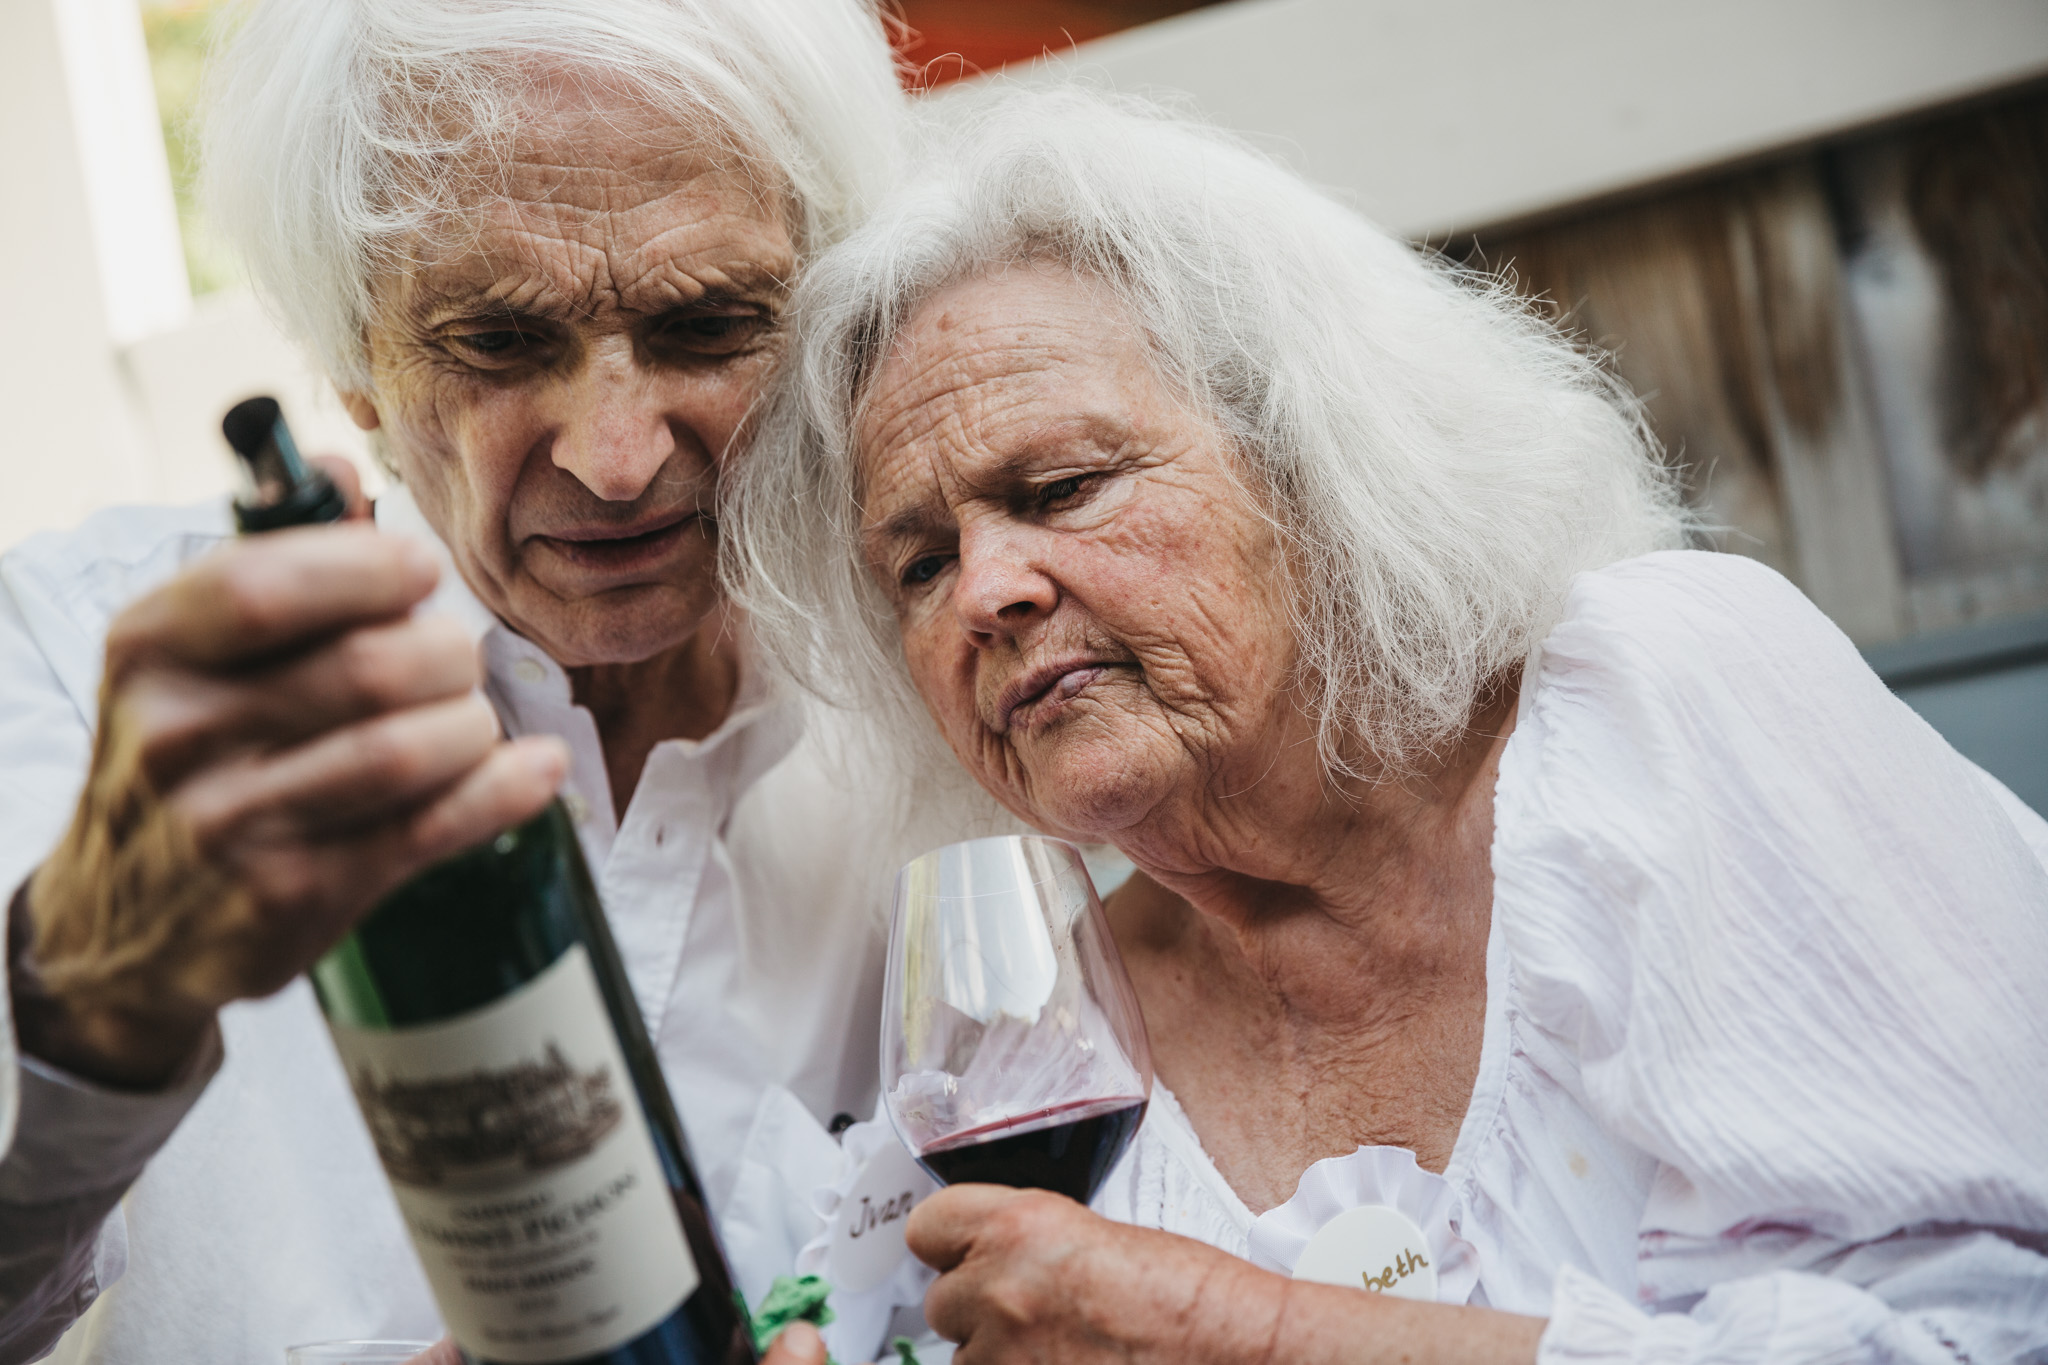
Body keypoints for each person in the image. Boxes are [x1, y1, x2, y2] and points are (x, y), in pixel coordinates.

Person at [729, 86, 2048, 1364]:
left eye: (1061, 487)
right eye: (916, 564)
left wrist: (1246, 1336)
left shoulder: (1658, 715)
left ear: (1313, 469)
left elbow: (2002, 1321)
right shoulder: (1029, 1039)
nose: (985, 592)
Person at [0, 2, 992, 1361]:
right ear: (352, 357)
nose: (618, 454)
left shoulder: (968, 680)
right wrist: (90, 1015)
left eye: (707, 324)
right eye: (500, 343)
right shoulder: (69, 653)